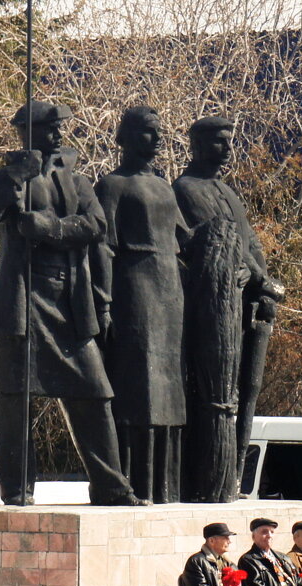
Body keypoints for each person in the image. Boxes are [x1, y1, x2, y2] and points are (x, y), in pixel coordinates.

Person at [0, 100, 141, 508]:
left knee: (95, 394)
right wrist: (12, 177)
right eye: (48, 129)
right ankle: (17, 491)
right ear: (25, 132)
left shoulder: (76, 181)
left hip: (70, 304)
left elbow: (97, 225)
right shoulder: (9, 179)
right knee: (15, 401)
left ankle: (112, 487)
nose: (57, 135)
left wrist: (51, 227)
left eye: (59, 128)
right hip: (23, 304)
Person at [173, 116, 283, 503]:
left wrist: (262, 283)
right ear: (198, 145)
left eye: (228, 141)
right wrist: (263, 281)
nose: (227, 149)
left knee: (246, 391)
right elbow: (220, 243)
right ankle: (214, 475)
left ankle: (233, 474)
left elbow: (251, 244)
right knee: (217, 394)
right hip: (212, 307)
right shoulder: (186, 190)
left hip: (244, 303)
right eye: (218, 142)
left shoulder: (227, 191)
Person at [94, 106, 188, 504]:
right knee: (139, 385)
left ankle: (167, 485)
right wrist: (104, 302)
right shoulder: (112, 185)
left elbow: (186, 238)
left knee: (169, 386)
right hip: (135, 287)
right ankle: (133, 482)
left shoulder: (165, 186)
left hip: (171, 292)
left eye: (158, 132)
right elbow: (102, 246)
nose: (156, 140)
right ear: (127, 136)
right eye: (148, 132)